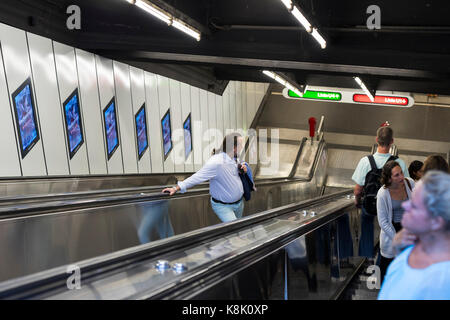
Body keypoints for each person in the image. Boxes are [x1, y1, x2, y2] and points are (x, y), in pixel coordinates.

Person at [378, 171, 450, 300]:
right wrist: (397, 247)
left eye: (415, 206)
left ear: (436, 222)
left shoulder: (442, 281)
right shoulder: (409, 250)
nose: (405, 205)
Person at [162, 132, 248, 222]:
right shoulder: (216, 162)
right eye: (240, 145)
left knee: (238, 230)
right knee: (234, 230)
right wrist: (176, 188)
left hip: (239, 204)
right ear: (233, 148)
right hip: (223, 206)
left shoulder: (235, 159)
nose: (242, 147)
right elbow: (198, 176)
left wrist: (243, 169)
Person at [352, 126, 409, 259]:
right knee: (389, 226)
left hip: (370, 205)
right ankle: (385, 256)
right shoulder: (399, 163)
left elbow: (358, 189)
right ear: (392, 141)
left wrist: (357, 201)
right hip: (392, 207)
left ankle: (367, 259)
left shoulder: (365, 161)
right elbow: (405, 185)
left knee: (366, 224)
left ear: (377, 139)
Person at [376, 160, 415, 282]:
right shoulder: (383, 193)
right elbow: (383, 222)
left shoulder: (410, 183)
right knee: (388, 272)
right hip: (391, 233)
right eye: (396, 175)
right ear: (389, 179)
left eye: (401, 173)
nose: (402, 177)